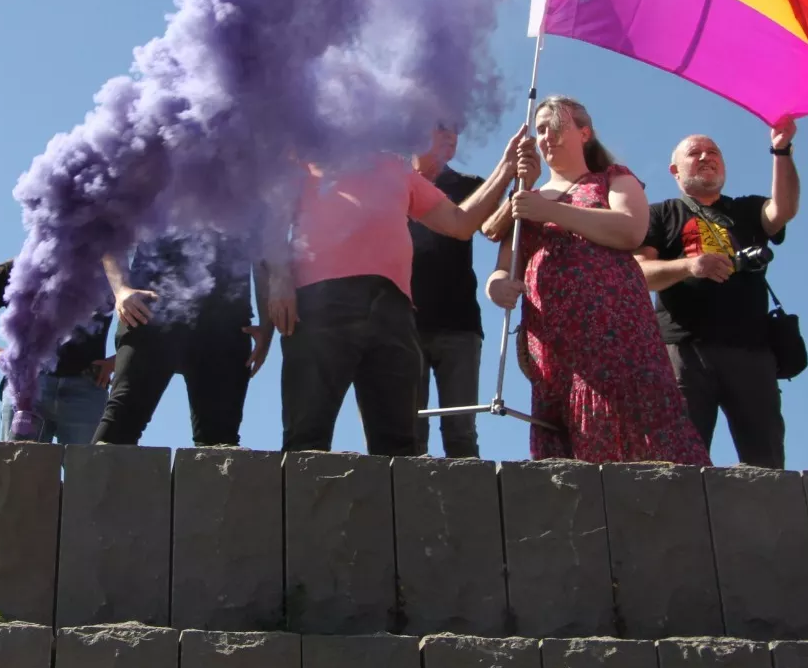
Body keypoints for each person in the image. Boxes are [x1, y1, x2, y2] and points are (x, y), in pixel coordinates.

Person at [266, 126, 533, 456]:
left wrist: (507, 165)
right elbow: (270, 221)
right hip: (319, 304)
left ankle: (393, 506)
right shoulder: (305, 158)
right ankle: (302, 506)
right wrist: (279, 281)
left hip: (393, 311)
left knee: (399, 445)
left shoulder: (395, 167)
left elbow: (459, 223)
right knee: (307, 435)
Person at [486, 96, 709, 465]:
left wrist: (552, 210)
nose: (545, 136)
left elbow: (631, 230)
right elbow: (506, 264)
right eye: (540, 129)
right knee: (567, 444)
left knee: (638, 428)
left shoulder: (613, 178)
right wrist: (495, 285)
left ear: (584, 132)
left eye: (554, 126)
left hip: (617, 333)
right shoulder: (525, 199)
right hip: (554, 343)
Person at [633, 123, 800, 467]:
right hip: (682, 353)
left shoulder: (747, 209)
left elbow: (782, 210)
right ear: (674, 170)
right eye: (695, 153)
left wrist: (781, 151)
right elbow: (638, 274)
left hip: (751, 352)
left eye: (713, 153)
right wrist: (689, 266)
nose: (706, 157)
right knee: (678, 465)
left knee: (766, 464)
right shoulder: (660, 214)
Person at [93, 230, 272, 447]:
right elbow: (113, 224)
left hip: (226, 321)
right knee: (119, 427)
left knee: (220, 443)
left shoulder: (248, 195)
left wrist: (267, 325)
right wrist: (120, 289)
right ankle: (95, 480)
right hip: (149, 312)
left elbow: (262, 248)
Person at [0, 260, 114, 444]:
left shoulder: (108, 272)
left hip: (86, 390)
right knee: (18, 468)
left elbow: (146, 317)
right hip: (27, 386)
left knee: (88, 471)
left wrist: (117, 360)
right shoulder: (18, 270)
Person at [409, 123, 488, 458]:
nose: (452, 134)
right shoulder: (391, 185)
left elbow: (502, 230)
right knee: (407, 437)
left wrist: (520, 182)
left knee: (461, 436)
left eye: (456, 128)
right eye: (441, 126)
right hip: (400, 327)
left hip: (459, 325)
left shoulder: (471, 187)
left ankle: (473, 510)